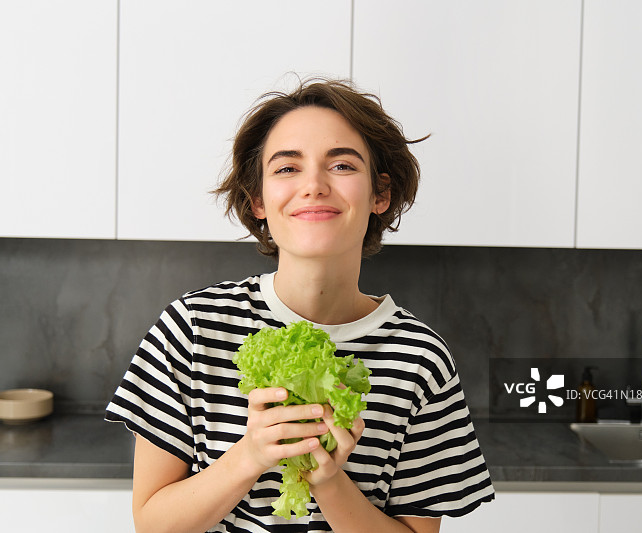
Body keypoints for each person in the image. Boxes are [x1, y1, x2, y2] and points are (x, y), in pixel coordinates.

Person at [105, 78, 494, 532]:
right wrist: (250, 454)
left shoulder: (420, 358)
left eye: (342, 166)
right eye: (287, 168)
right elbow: (152, 525)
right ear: (258, 201)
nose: (313, 185)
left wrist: (327, 480)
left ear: (379, 195)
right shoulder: (192, 329)